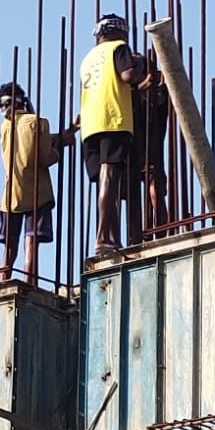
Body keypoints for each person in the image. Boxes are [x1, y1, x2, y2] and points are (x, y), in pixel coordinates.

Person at [79, 14, 148, 253]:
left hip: (89, 125)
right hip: (113, 119)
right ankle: (102, 237)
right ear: (119, 31)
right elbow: (128, 75)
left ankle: (111, 237)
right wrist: (140, 63)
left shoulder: (88, 58)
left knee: (104, 181)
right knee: (110, 176)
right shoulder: (118, 48)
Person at [0, 82, 75, 283]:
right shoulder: (39, 122)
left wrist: (61, 136)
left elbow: (26, 144)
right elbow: (44, 156)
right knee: (31, 243)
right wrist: (59, 149)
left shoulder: (5, 127)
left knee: (10, 248)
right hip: (38, 194)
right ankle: (29, 284)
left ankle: (3, 283)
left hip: (11, 195)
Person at [131, 64, 170, 236]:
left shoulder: (159, 95)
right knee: (134, 198)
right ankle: (140, 234)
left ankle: (162, 230)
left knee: (154, 191)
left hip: (153, 155)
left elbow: (163, 98)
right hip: (133, 154)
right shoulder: (133, 96)